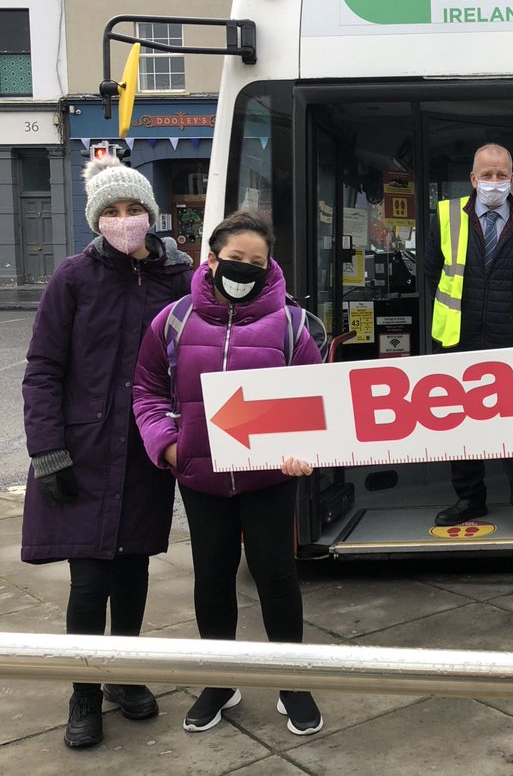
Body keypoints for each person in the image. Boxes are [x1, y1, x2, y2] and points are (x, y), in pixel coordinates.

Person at [132, 210, 325, 736]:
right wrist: (169, 448)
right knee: (212, 578)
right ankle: (220, 680)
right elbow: (147, 391)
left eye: (256, 262)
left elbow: (317, 401)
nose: (245, 269)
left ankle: (293, 681)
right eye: (235, 259)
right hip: (201, 479)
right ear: (212, 259)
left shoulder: (293, 324)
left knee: (277, 577)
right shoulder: (172, 320)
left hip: (270, 479)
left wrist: (303, 449)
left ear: (270, 267)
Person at [21, 156, 192, 749]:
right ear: (97, 221)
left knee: (135, 570)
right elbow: (42, 368)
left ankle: (122, 674)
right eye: (112, 212)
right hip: (83, 450)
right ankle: (84, 692)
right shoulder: (72, 278)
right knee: (90, 579)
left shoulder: (177, 279)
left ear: (152, 214)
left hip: (145, 446)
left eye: (134, 209)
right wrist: (47, 448)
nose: (125, 220)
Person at [425, 143, 513, 541]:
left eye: (501, 175)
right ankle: (470, 499)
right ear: (473, 179)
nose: (494, 182)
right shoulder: (445, 217)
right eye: (487, 174)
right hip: (457, 339)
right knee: (460, 426)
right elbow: (432, 273)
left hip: (511, 339)